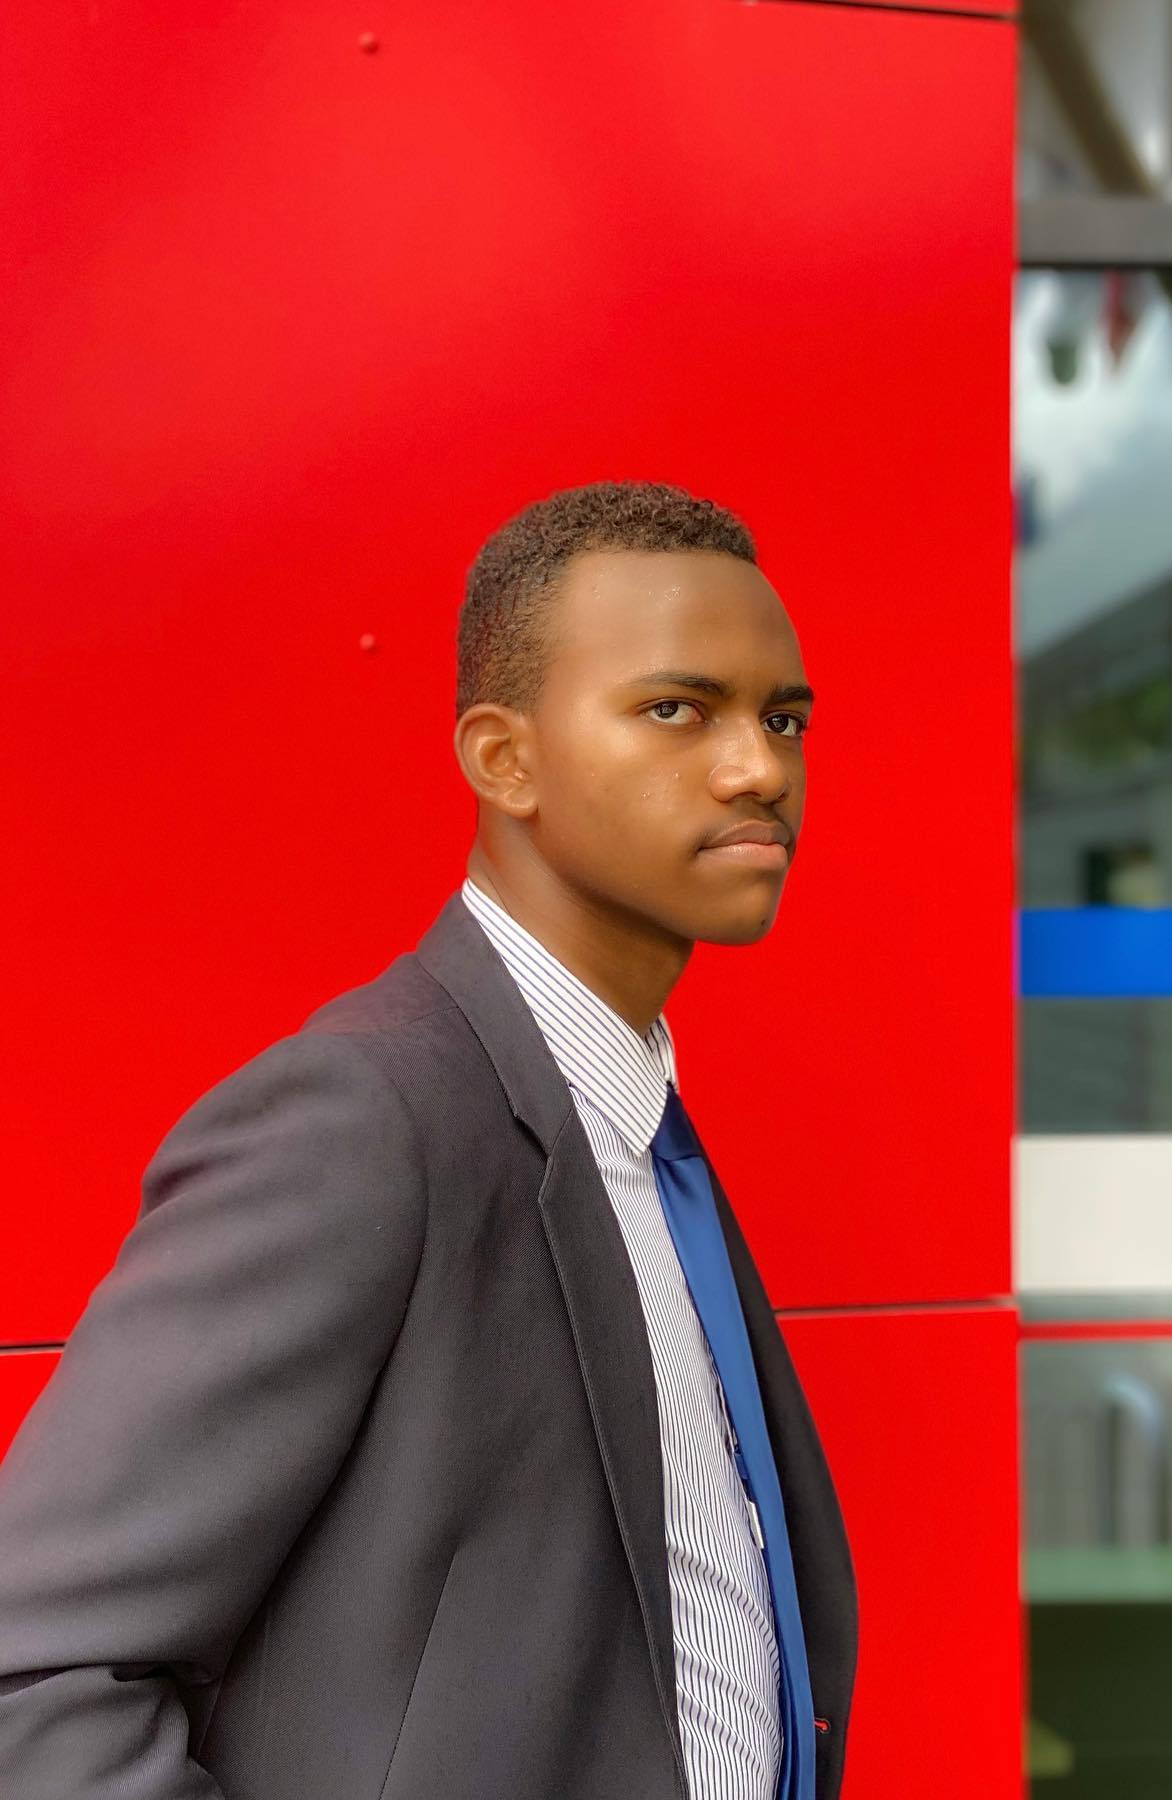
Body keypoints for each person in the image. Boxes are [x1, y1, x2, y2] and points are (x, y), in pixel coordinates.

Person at [0, 480, 858, 1800]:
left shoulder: (639, 1131)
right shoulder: (363, 1121)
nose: (760, 768)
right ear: (502, 759)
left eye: (781, 717)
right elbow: (38, 1671)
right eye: (678, 709)